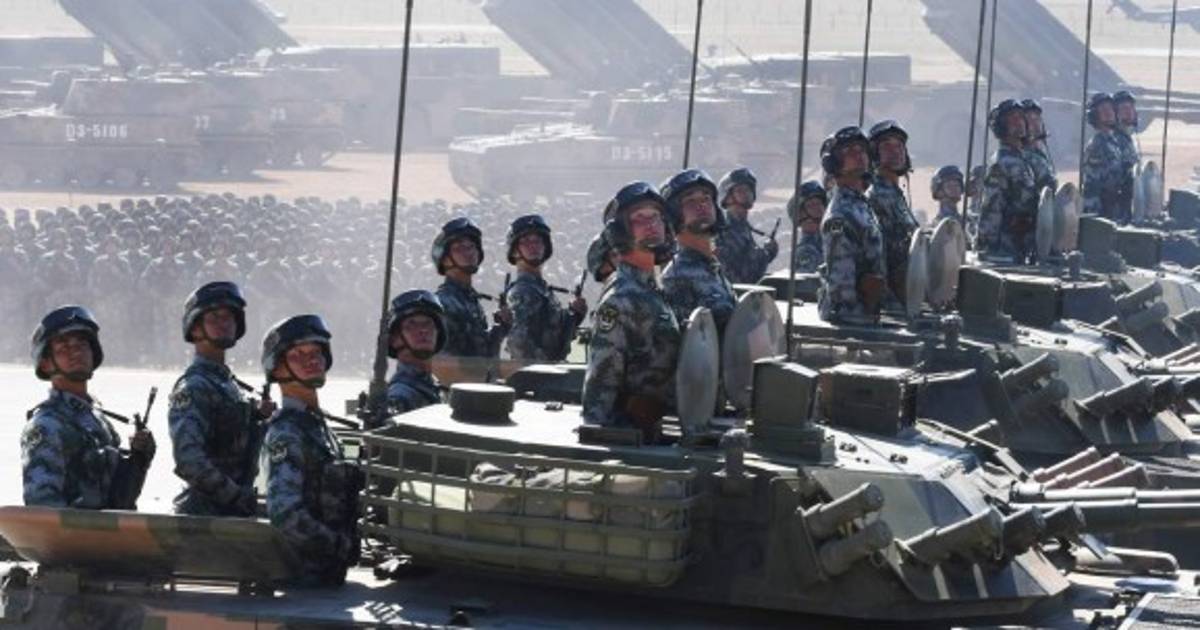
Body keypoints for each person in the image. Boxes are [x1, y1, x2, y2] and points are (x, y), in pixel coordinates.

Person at [22, 306, 155, 508]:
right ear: (46, 364)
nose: (76, 352)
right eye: (64, 347)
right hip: (73, 529)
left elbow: (118, 499)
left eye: (82, 344)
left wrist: (138, 457)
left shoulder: (98, 420)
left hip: (105, 529)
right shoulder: (46, 426)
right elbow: (42, 507)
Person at [262, 315, 361, 586]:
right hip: (304, 580)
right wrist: (337, 545)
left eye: (316, 352)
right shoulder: (288, 432)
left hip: (326, 578)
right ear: (277, 368)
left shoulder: (318, 427)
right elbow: (285, 513)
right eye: (298, 355)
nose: (312, 360)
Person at [582, 182, 680, 441]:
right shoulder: (620, 299)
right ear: (620, 232)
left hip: (651, 432)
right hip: (629, 439)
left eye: (655, 217)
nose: (651, 224)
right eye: (639, 219)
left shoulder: (652, 290)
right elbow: (600, 388)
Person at [169, 282, 273, 517]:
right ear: (195, 328)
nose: (224, 323)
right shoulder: (194, 387)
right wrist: (235, 496)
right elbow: (189, 460)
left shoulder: (229, 385)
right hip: (204, 518)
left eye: (228, 317)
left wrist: (256, 418)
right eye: (214, 318)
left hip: (230, 514)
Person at [817, 126, 887, 323]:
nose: (859, 155)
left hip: (867, 313)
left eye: (862, 150)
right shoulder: (838, 216)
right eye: (849, 151)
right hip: (850, 318)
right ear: (833, 163)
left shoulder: (861, 204)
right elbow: (840, 288)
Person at [660, 169, 738, 333]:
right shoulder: (677, 278)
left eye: (706, 199)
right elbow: (689, 343)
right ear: (675, 215)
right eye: (690, 201)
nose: (702, 205)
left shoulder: (712, 267)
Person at [504, 214, 586, 360]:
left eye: (538, 241)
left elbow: (554, 339)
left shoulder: (542, 290)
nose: (533, 246)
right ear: (515, 251)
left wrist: (572, 317)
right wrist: (546, 369)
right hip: (535, 373)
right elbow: (519, 346)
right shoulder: (521, 292)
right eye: (525, 241)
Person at [431, 218, 510, 358]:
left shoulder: (470, 300)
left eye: (471, 247)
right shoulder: (444, 303)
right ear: (445, 259)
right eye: (459, 248)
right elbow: (444, 361)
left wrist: (502, 327)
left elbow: (482, 354)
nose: (469, 252)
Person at [978, 99, 1039, 260]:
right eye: (1012, 119)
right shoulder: (1001, 163)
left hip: (1023, 243)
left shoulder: (1022, 159)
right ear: (1001, 126)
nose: (1019, 122)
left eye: (1021, 117)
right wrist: (989, 248)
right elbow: (992, 208)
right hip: (1006, 247)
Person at [866, 120, 920, 304]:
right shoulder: (876, 196)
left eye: (899, 146)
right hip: (891, 295)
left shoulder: (895, 194)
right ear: (874, 154)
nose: (896, 152)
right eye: (887, 147)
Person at [385, 289, 446, 414]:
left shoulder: (434, 387)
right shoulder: (400, 396)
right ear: (394, 340)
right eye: (411, 325)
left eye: (428, 324)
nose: (423, 330)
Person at [714, 166, 778, 283]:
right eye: (740, 190)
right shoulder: (722, 231)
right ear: (727, 197)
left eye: (749, 190)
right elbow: (735, 276)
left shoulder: (744, 228)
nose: (747, 194)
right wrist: (766, 254)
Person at [1081, 92, 1129, 223]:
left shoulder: (1115, 142)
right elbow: (1099, 182)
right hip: (1099, 209)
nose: (1109, 113)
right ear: (1094, 116)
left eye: (1110, 109)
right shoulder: (1096, 145)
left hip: (1114, 208)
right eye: (1103, 110)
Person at [788, 180, 827, 273]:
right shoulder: (806, 251)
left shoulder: (828, 240)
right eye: (811, 205)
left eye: (819, 204)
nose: (818, 209)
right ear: (800, 215)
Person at [1020, 99, 1058, 195]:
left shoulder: (1038, 154)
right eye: (1030, 120)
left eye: (1037, 118)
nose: (1035, 124)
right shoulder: (1022, 156)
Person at [1112, 90, 1140, 218]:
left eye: (1131, 108)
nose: (1129, 112)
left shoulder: (1128, 139)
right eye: (1124, 108)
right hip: (1115, 210)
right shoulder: (1113, 140)